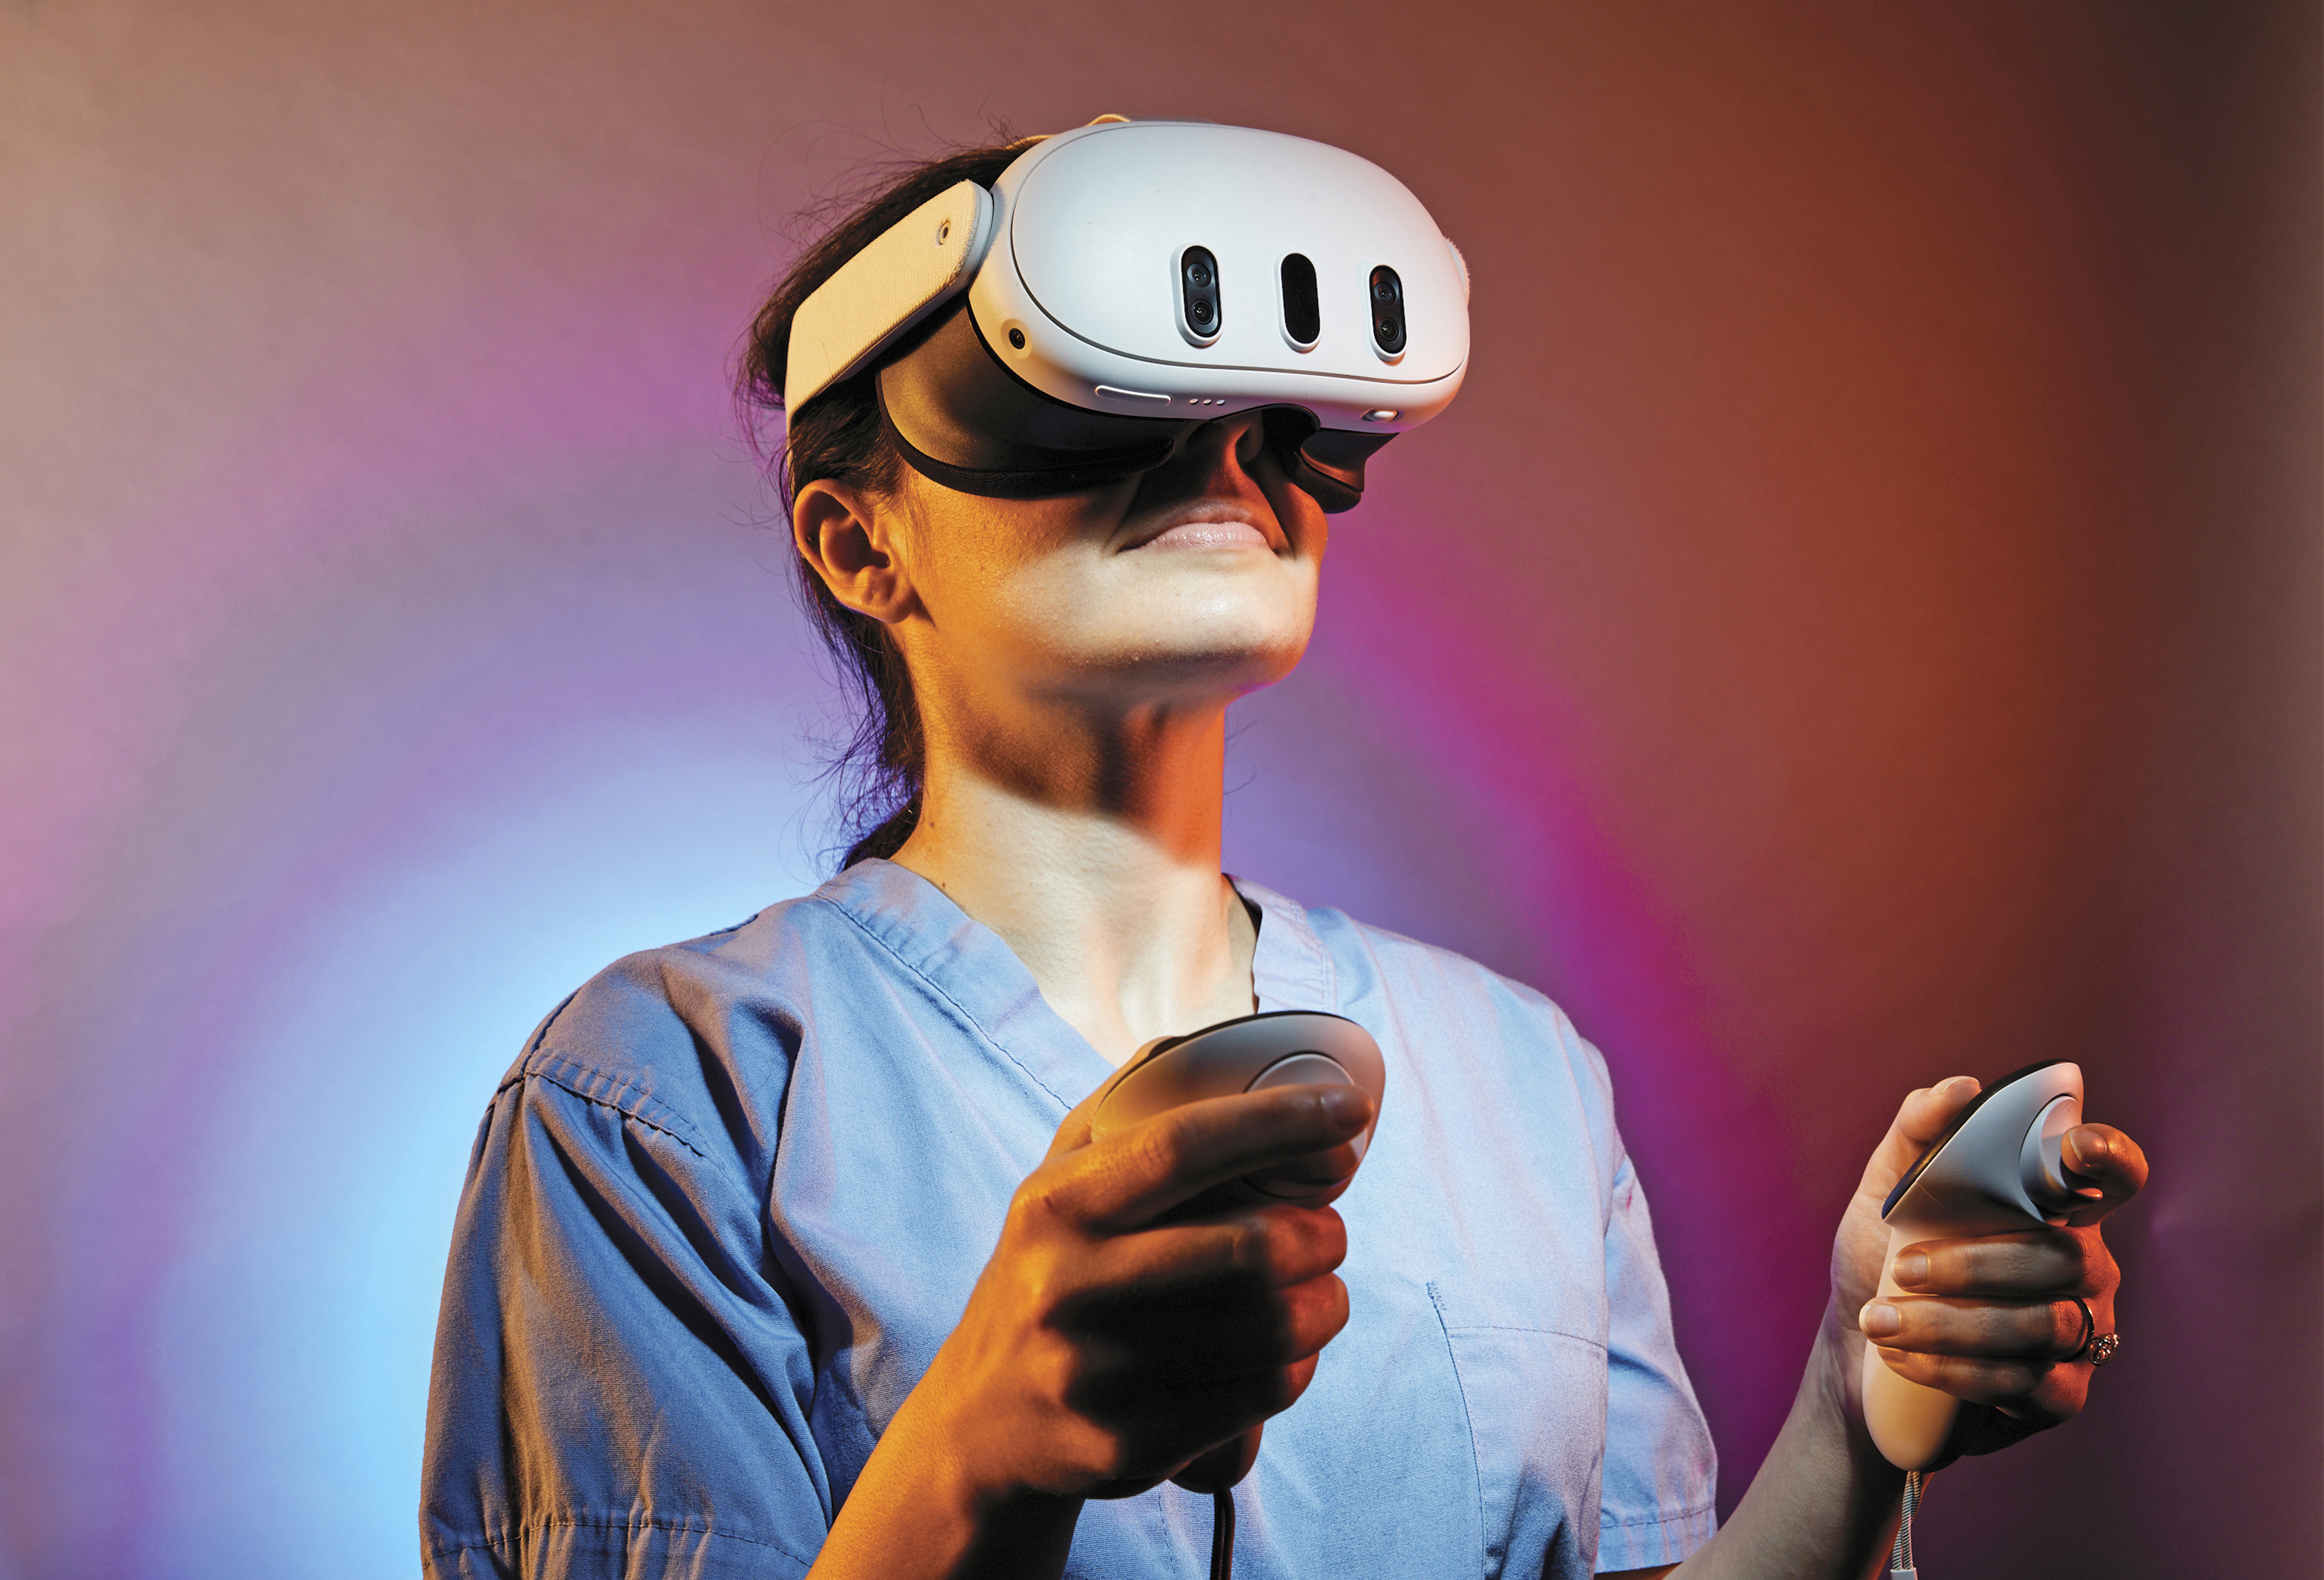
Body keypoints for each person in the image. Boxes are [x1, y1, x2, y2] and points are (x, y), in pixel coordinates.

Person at [419, 127, 2148, 1580]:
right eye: (1092, 398)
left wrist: (1859, 1416)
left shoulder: (1516, 1081)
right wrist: (984, 1458)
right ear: (862, 543)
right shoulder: (656, 1098)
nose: (1225, 455)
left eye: (1266, 414)